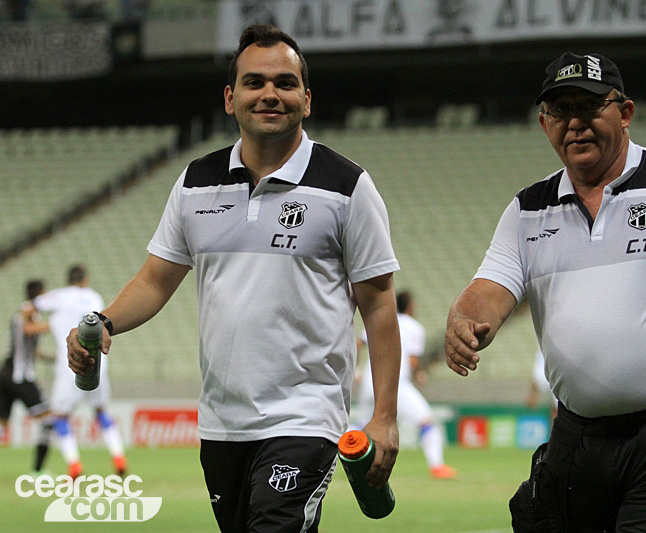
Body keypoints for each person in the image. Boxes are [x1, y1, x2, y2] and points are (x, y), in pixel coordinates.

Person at [67, 24, 401, 533]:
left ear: (306, 100)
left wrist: (384, 416)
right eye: (254, 82)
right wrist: (105, 321)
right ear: (230, 98)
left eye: (286, 83)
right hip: (222, 421)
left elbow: (378, 306)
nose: (270, 93)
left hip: (305, 418)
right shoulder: (194, 181)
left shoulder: (347, 186)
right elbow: (156, 280)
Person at [445, 52, 646, 531]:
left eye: (589, 106)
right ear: (544, 124)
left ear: (625, 113)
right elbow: (490, 287)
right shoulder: (527, 209)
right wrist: (465, 319)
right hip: (578, 437)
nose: (575, 123)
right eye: (560, 111)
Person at [34, 265, 127, 480]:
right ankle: (119, 457)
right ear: (85, 280)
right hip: (99, 364)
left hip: (70, 364)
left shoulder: (59, 296)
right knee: (101, 412)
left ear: (69, 280)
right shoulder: (95, 297)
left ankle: (74, 464)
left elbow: (31, 307)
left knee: (60, 417)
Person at [355, 290, 456, 479]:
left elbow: (358, 343)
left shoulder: (381, 319)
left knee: (361, 428)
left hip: (369, 382)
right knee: (427, 421)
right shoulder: (414, 327)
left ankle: (334, 455)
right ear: (409, 306)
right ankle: (437, 466)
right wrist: (419, 375)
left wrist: (356, 370)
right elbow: (412, 361)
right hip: (394, 384)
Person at [0, 280, 52, 474]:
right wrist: (57, 322)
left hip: (5, 374)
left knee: (1, 425)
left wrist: (54, 358)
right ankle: (38, 472)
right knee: (49, 421)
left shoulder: (24, 312)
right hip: (20, 377)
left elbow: (30, 348)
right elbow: (28, 329)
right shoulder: (27, 312)